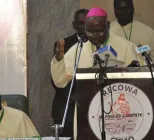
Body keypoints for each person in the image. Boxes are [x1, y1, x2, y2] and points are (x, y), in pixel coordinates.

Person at [51, 7, 139, 88]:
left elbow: (139, 79)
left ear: (107, 26)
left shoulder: (126, 47)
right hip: (88, 101)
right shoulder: (78, 49)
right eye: (90, 32)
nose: (95, 36)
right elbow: (61, 82)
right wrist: (59, 60)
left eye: (99, 31)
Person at [51, 9, 89, 138]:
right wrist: (73, 96)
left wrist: (84, 95)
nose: (83, 26)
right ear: (74, 25)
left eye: (86, 22)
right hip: (66, 106)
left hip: (91, 104)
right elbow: (56, 78)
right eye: (80, 23)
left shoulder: (99, 43)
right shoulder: (63, 44)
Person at [110, 0, 154, 64]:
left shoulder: (148, 32)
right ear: (115, 11)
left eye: (127, 8)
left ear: (132, 9)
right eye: (120, 9)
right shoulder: (108, 31)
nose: (124, 12)